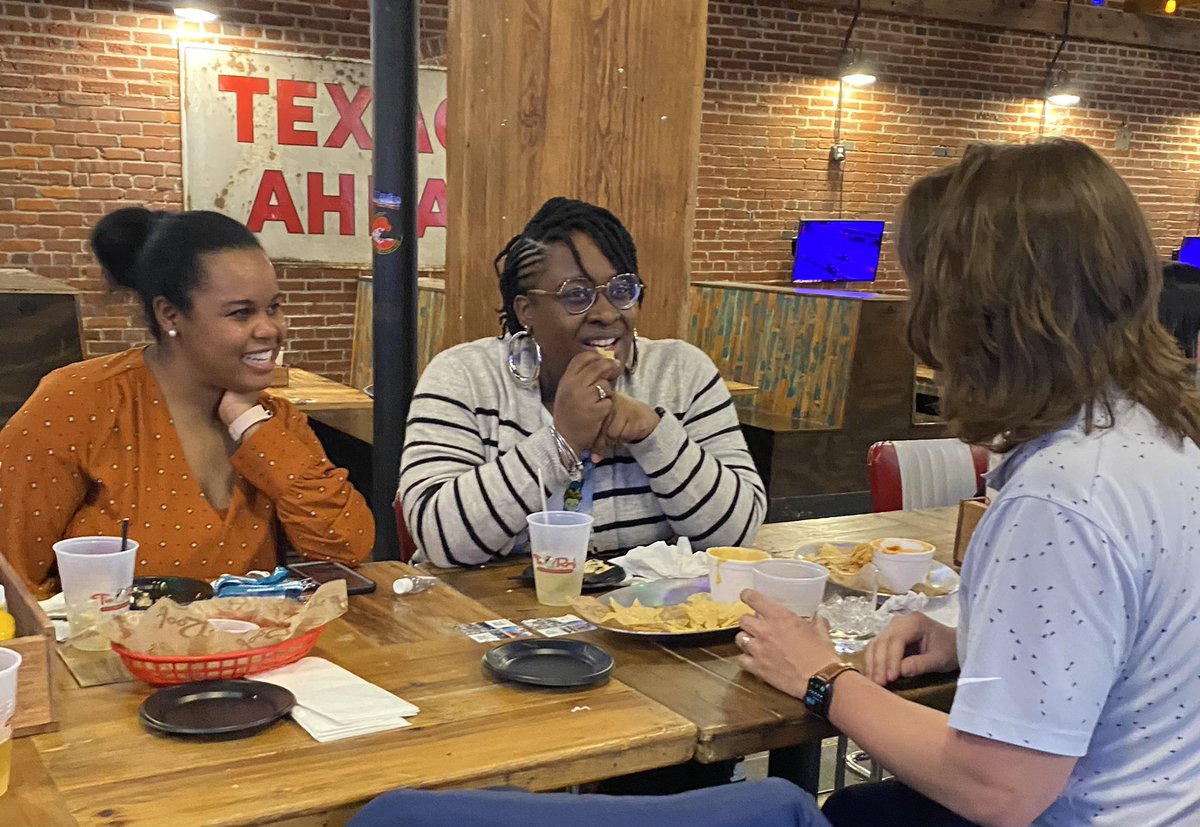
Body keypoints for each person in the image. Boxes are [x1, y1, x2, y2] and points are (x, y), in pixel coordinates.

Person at [736, 140, 1200, 826]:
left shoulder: (1061, 493)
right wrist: (974, 637)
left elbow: (999, 787)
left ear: (976, 315)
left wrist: (819, 677)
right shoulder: (1162, 432)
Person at [0, 207, 374, 593]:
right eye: (241, 313)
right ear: (170, 314)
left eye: (274, 307)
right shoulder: (77, 402)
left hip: (249, 648)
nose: (271, 329)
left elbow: (345, 550)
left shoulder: (274, 418)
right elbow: (11, 582)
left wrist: (250, 425)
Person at [398, 196, 766, 567]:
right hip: (475, 617)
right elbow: (440, 541)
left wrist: (651, 433)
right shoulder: (464, 377)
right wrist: (563, 441)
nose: (606, 313)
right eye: (577, 295)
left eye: (621, 291)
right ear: (527, 310)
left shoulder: (681, 373)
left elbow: (736, 535)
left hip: (640, 615)